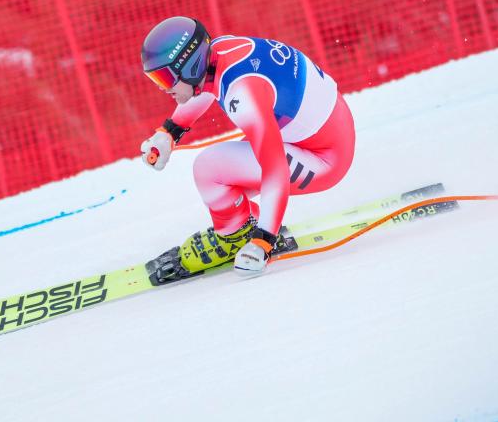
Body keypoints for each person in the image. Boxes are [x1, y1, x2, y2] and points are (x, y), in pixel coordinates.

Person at [139, 15, 355, 279]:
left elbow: (274, 168)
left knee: (209, 169)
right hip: (323, 134)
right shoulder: (219, 51)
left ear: (190, 67)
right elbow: (205, 89)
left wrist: (263, 242)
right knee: (225, 172)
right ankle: (238, 226)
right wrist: (169, 132)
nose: (164, 89)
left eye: (165, 78)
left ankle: (234, 236)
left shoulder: (244, 95)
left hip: (322, 159)